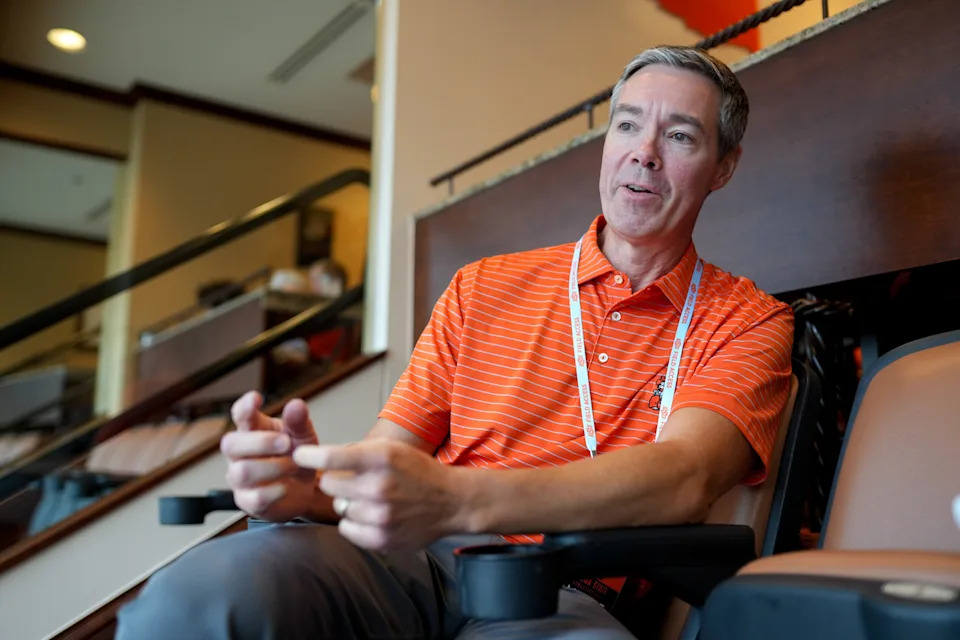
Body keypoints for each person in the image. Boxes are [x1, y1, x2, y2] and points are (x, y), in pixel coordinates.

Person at [117, 45, 793, 639]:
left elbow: (684, 479)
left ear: (723, 167)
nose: (643, 152)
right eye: (627, 125)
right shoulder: (483, 287)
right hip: (415, 555)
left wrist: (455, 497)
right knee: (199, 600)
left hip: (563, 590)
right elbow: (389, 458)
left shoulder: (749, 320)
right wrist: (311, 491)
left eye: (680, 136)